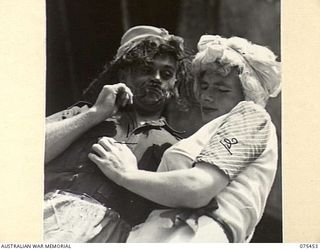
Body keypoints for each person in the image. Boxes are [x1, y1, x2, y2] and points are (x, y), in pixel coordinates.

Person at [89, 35, 281, 242]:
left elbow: (198, 188)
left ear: (248, 93)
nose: (207, 96)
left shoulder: (250, 115)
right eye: (205, 86)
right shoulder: (209, 133)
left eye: (222, 89)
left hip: (195, 234)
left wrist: (126, 174)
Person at [44, 25, 191, 242]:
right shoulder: (81, 114)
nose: (156, 78)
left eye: (166, 74)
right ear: (124, 73)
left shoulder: (177, 146)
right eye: (146, 69)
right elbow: (22, 154)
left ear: (175, 84)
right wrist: (95, 114)